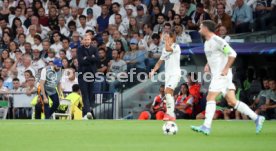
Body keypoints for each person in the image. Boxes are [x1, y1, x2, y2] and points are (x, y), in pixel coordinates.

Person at [191, 20, 265, 135]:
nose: (199, 29)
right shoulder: (207, 42)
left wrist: (225, 68)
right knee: (232, 101)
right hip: (219, 75)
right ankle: (256, 118)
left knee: (210, 97)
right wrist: (207, 64)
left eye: (201, 27)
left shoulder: (217, 40)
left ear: (206, 28)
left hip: (222, 75)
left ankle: (206, 126)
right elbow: (214, 56)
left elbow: (232, 53)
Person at [149, 32, 181, 121]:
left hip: (175, 74)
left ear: (172, 38)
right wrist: (153, 71)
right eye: (164, 37)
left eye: (167, 37)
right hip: (168, 76)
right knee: (168, 94)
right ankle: (171, 115)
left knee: (167, 91)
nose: (165, 38)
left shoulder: (176, 46)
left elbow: (168, 48)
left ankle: (169, 113)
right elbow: (160, 62)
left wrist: (166, 40)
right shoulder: (164, 49)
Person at [77, 34, 99, 120]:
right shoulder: (79, 49)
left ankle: (85, 114)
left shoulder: (94, 49)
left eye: (88, 39)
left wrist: (87, 58)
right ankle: (88, 113)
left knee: (90, 94)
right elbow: (81, 61)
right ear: (82, 41)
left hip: (91, 74)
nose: (86, 41)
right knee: (85, 94)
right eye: (85, 39)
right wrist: (91, 58)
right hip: (82, 74)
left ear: (90, 40)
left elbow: (97, 59)